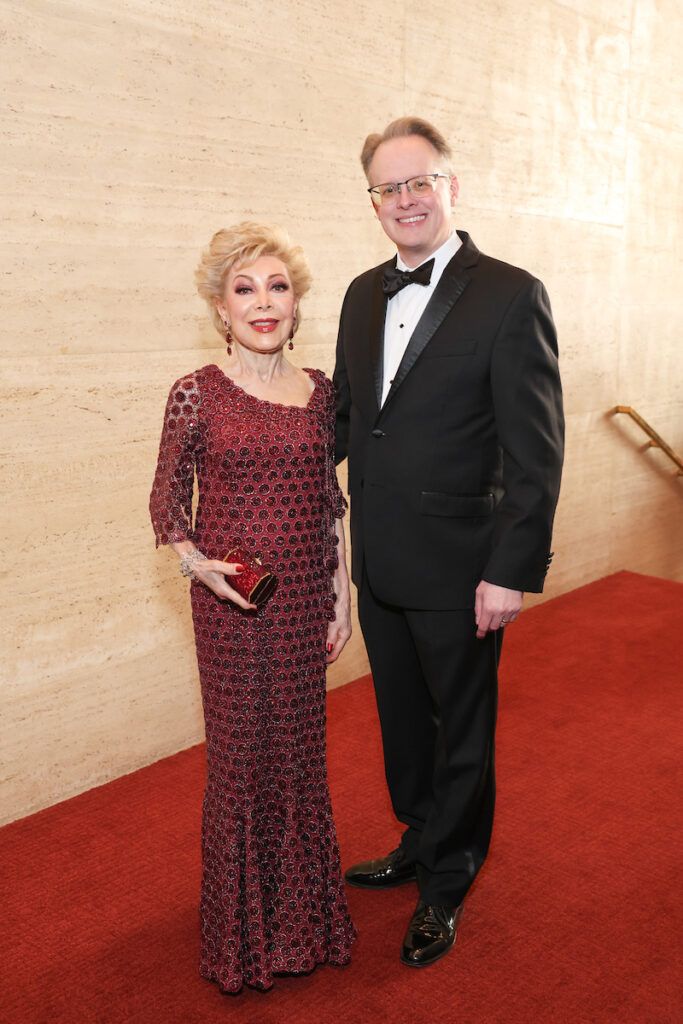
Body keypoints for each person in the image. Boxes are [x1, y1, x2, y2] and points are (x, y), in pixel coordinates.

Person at [334, 118, 564, 968]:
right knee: (400, 719)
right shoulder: (362, 293)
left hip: (463, 564)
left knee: (460, 726)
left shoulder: (509, 292)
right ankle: (418, 837)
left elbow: (535, 451)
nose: (404, 200)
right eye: (387, 189)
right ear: (372, 202)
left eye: (417, 182)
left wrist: (509, 570)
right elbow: (351, 420)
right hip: (381, 557)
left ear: (449, 187)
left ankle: (449, 877)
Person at [149, 222, 356, 993]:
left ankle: (306, 920)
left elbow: (328, 504)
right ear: (220, 307)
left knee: (302, 757)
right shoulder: (195, 393)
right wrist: (205, 573)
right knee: (242, 764)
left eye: (276, 287)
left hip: (306, 602)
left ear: (296, 304)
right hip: (234, 613)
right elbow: (167, 505)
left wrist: (344, 599)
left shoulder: (320, 392)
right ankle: (244, 937)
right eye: (244, 289)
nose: (262, 303)